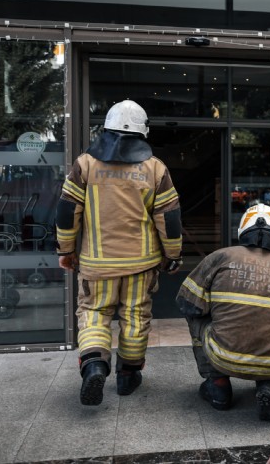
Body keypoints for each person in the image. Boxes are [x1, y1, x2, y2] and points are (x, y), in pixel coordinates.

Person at [56, 99, 183, 406]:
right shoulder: (155, 168)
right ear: (144, 131)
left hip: (96, 265)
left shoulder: (85, 164)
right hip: (142, 265)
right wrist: (173, 254)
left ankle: (95, 365)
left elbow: (67, 210)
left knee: (94, 314)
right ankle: (128, 375)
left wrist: (66, 249)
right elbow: (169, 217)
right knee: (136, 317)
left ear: (106, 128)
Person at [176, 203, 270, 421]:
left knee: (195, 314)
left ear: (242, 230)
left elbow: (186, 303)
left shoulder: (220, 256)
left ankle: (217, 384)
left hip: (223, 357)